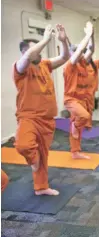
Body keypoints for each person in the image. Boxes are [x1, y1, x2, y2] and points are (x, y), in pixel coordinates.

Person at [13, 24, 70, 196]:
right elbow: (30, 55)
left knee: (44, 154)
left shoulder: (45, 64)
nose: (41, 53)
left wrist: (63, 41)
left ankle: (41, 187)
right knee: (24, 145)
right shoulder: (20, 68)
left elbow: (64, 57)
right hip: (28, 117)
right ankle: (33, 160)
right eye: (37, 50)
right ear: (24, 53)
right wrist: (45, 39)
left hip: (47, 119)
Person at [63, 22, 94, 159]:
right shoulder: (70, 66)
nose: (82, 55)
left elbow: (91, 49)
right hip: (71, 99)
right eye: (80, 53)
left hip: (82, 99)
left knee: (78, 126)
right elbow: (79, 52)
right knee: (82, 118)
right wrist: (87, 34)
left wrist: (92, 35)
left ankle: (75, 152)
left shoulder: (82, 63)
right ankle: (75, 127)